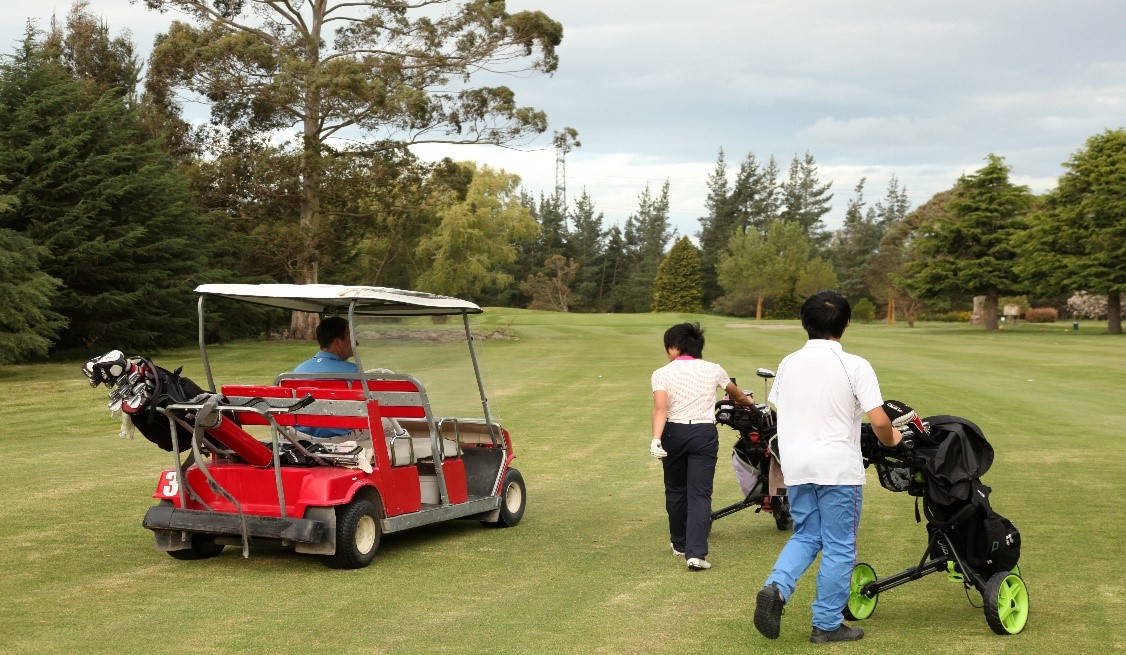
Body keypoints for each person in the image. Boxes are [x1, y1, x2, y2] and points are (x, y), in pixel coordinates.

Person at [752, 291, 902, 644]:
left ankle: (776, 587)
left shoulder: (788, 362)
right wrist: (893, 440)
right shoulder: (855, 365)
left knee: (806, 533)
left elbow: (779, 407)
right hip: (837, 467)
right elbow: (879, 420)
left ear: (806, 323)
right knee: (840, 545)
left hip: (796, 463)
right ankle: (826, 623)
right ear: (846, 324)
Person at [650, 322, 754, 571]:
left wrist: (656, 438)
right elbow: (736, 395)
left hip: (672, 432)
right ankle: (696, 553)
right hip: (702, 433)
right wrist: (748, 401)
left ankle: (679, 543)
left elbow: (661, 408)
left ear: (674, 347)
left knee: (675, 489)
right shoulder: (713, 369)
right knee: (699, 493)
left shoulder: (661, 373)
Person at [290, 316, 373, 472]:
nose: (356, 343)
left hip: (301, 434)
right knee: (388, 424)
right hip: (339, 436)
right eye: (351, 338)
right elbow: (367, 407)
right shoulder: (352, 373)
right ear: (338, 343)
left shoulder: (297, 371)